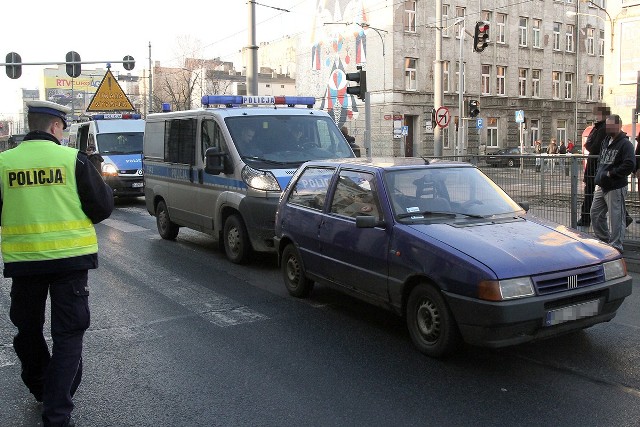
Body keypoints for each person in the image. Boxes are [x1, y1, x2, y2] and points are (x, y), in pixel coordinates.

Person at [0, 100, 114, 427]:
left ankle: (41, 387)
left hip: (25, 264)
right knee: (68, 336)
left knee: (28, 329)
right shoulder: (71, 160)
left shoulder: (4, 163)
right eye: (63, 129)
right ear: (54, 127)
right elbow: (102, 207)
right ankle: (57, 413)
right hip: (70, 263)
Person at [590, 114, 635, 253]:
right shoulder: (606, 141)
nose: (608, 128)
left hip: (615, 186)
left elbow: (630, 164)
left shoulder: (625, 144)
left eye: (611, 125)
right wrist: (600, 174)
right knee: (595, 214)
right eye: (607, 126)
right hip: (601, 185)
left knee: (616, 218)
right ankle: (605, 241)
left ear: (619, 125)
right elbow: (601, 160)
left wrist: (611, 174)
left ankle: (616, 246)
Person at [578, 103, 610, 227]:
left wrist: (589, 145)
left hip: (595, 166)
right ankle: (626, 216)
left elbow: (594, 146)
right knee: (602, 193)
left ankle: (585, 219)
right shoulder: (598, 127)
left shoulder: (602, 128)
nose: (595, 115)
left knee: (591, 193)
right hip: (596, 165)